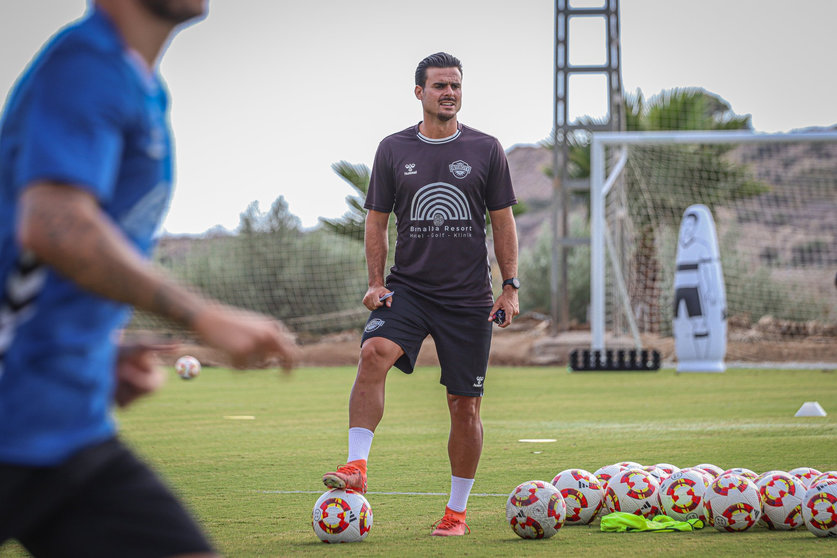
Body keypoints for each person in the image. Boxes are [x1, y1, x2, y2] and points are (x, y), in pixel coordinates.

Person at [0, 1, 299, 556]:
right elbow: (53, 223)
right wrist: (203, 315)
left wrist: (100, 349)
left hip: (65, 427)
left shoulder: (140, 85)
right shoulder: (86, 65)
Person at [322, 52, 519, 536]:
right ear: (419, 93)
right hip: (408, 288)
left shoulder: (486, 149)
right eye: (439, 86)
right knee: (374, 352)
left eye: (455, 85)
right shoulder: (392, 149)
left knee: (464, 405)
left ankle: (455, 513)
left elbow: (502, 222)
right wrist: (375, 283)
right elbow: (376, 221)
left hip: (469, 298)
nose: (448, 93)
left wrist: (509, 286)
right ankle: (356, 466)